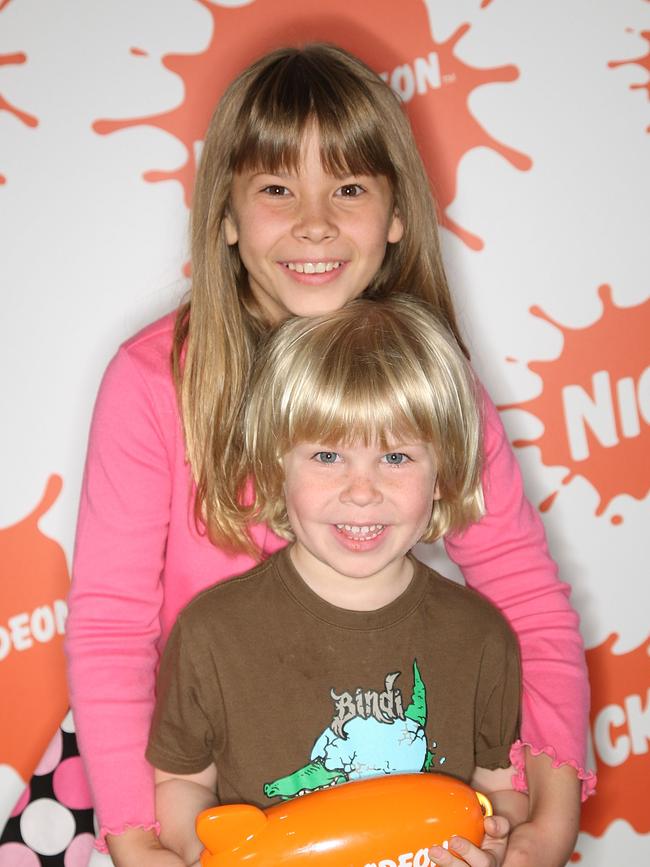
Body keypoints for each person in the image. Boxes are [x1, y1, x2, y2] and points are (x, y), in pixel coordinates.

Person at [65, 43, 590, 867]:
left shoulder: (435, 378)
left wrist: (549, 825)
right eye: (277, 190)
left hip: (396, 812)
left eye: (347, 188)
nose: (314, 223)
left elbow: (526, 595)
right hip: (208, 796)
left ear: (396, 215)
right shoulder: (152, 380)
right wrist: (138, 841)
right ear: (227, 216)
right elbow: (109, 628)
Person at [146, 295, 528, 867]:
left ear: (445, 473)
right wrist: (208, 854)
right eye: (327, 455)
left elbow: (502, 787)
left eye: (396, 458)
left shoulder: (481, 637)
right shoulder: (211, 634)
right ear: (277, 466)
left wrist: (497, 838)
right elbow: (180, 783)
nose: (361, 491)